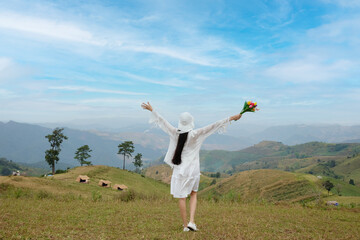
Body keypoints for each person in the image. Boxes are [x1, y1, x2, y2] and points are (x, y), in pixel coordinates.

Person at [141, 102, 242, 232]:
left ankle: (185, 226)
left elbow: (162, 121)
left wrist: (152, 110)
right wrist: (232, 118)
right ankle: (192, 222)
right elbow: (215, 125)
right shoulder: (196, 134)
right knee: (194, 194)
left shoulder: (175, 133)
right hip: (193, 170)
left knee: (182, 197)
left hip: (180, 170)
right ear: (191, 122)